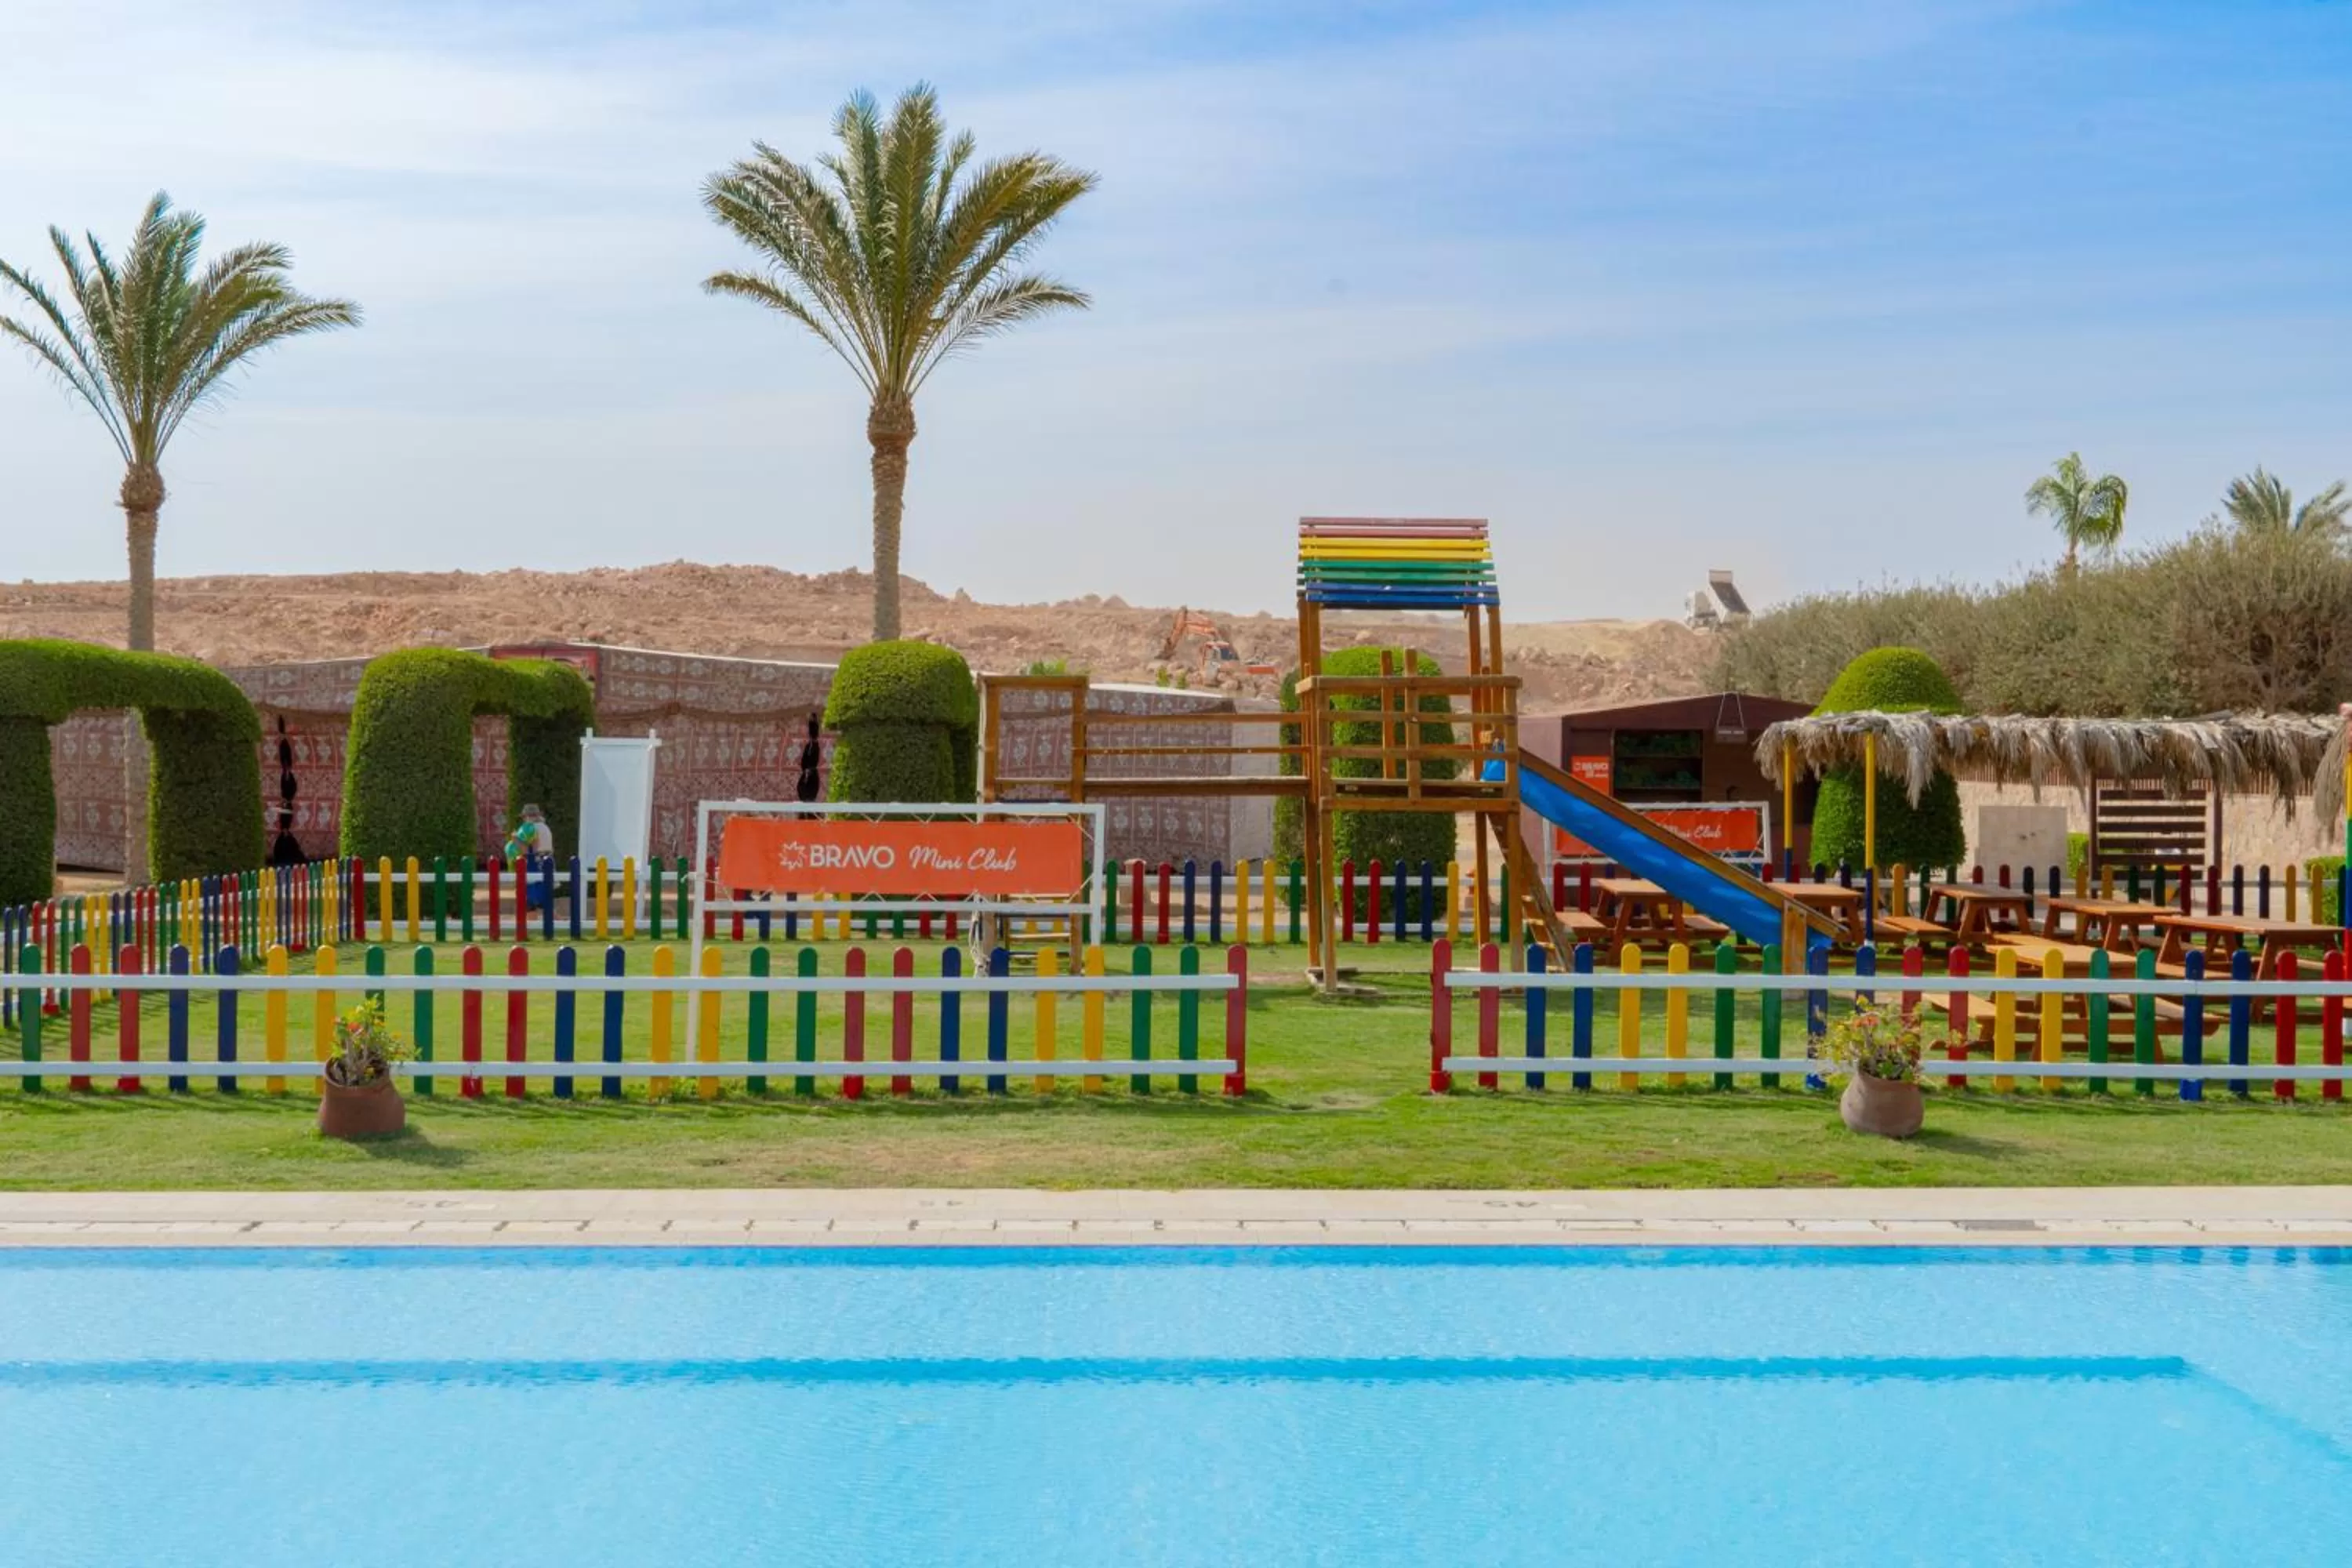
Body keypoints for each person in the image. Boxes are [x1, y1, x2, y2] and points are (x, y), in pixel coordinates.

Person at [506, 804, 557, 910]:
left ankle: (530, 924)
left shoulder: (531, 829)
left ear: (528, 816)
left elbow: (530, 850)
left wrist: (515, 839)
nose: (524, 820)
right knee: (545, 902)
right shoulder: (545, 827)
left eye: (524, 817)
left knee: (530, 903)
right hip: (547, 864)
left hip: (535, 865)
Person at [793, 713, 824, 804]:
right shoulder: (811, 745)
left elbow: (808, 760)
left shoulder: (813, 746)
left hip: (810, 774)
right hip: (809, 773)